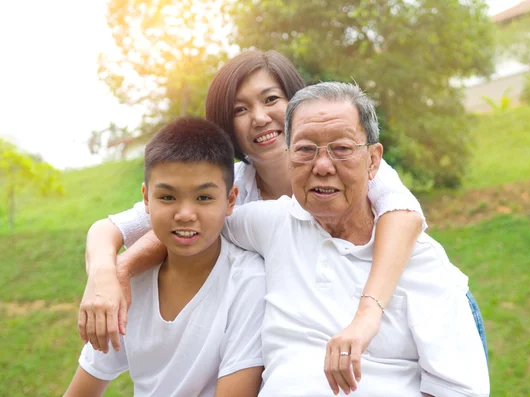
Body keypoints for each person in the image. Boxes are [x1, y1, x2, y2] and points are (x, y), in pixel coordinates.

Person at [80, 50, 432, 367]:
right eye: (240, 109)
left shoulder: (347, 162)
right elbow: (112, 229)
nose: (260, 118)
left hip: (411, 323)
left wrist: (369, 313)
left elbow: (404, 215)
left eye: (271, 99)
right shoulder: (227, 187)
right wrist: (112, 273)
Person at [221, 82, 490, 396]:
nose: (322, 166)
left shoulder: (421, 263)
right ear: (289, 157)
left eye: (342, 149)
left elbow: (460, 391)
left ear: (373, 160)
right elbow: (193, 218)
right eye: (305, 149)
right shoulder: (272, 224)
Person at [64, 118, 266, 397]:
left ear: (231, 200)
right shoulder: (129, 284)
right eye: (168, 197)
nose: (185, 213)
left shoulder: (248, 282)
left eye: (204, 198)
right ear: (146, 199)